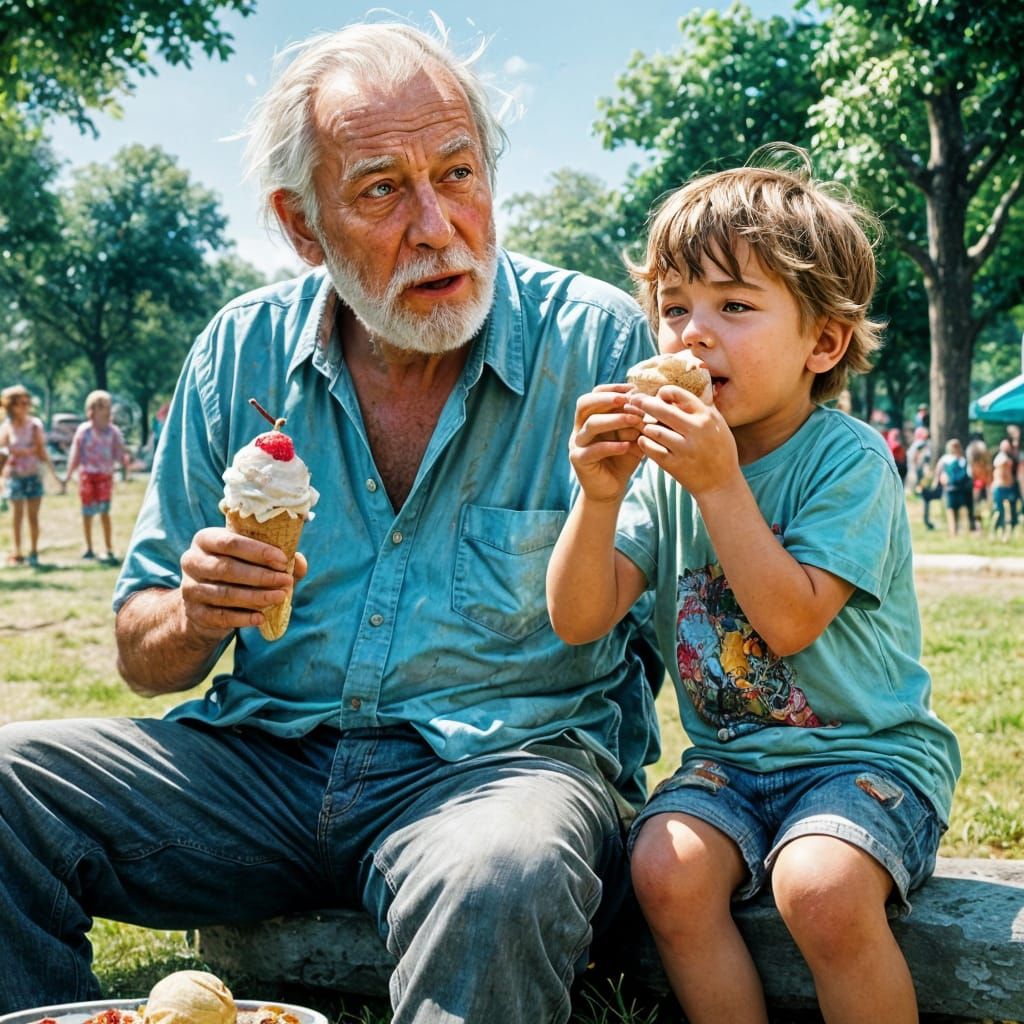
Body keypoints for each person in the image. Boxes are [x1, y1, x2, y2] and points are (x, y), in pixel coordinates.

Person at [0, 20, 664, 1021]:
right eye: (381, 190)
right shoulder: (238, 352)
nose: (438, 224)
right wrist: (195, 610)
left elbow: (675, 630)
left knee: (497, 873)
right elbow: (144, 653)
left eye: (458, 172)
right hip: (264, 767)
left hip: (502, 771)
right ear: (301, 225)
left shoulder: (597, 340)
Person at [546, 148, 960, 1024]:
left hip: (868, 758)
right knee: (663, 868)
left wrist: (718, 483)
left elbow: (792, 621)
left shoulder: (846, 459)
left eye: (734, 306)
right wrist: (598, 495)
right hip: (732, 763)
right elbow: (578, 616)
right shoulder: (663, 476)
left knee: (818, 886)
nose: (694, 333)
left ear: (823, 341)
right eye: (673, 308)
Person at [63, 389, 131, 563]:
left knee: (104, 513)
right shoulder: (83, 431)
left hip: (105, 477)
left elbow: (118, 453)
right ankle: (89, 548)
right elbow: (75, 454)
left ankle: (108, 549)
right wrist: (69, 474)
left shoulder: (113, 432)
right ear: (91, 410)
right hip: (87, 476)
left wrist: (125, 464)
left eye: (108, 406)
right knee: (87, 513)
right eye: (102, 407)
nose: (106, 410)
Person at [0, 384, 59, 566]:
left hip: (33, 475)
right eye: (20, 403)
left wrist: (54, 476)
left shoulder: (35, 426)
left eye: (27, 402)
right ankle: (18, 552)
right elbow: (2, 452)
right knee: (17, 517)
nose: (24, 406)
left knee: (33, 516)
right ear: (12, 405)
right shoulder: (6, 427)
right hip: (15, 476)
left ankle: (34, 552)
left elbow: (42, 452)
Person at [937, 437, 972, 536]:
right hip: (960, 488)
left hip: (951, 488)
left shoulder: (945, 460)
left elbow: (939, 473)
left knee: (952, 511)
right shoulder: (962, 460)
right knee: (958, 511)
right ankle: (958, 532)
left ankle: (954, 532)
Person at [991, 438, 1019, 541]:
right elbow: (1000, 464)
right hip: (1000, 488)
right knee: (999, 512)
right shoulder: (1000, 459)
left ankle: (1006, 534)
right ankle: (996, 532)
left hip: (1008, 488)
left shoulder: (1011, 459)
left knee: (1009, 512)